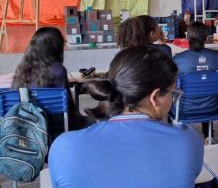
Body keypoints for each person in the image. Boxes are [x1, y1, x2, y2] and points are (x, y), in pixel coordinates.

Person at [49, 47, 203, 188]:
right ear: (155, 97)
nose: (173, 100)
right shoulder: (187, 140)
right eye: (173, 93)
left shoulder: (64, 147)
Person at [12, 27, 83, 138]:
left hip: (24, 129)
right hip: (53, 131)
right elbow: (68, 107)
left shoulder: (21, 69)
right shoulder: (58, 71)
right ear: (55, 47)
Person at [171, 21, 218, 142]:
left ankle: (176, 139)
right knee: (206, 92)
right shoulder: (217, 56)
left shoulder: (178, 59)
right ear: (206, 38)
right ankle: (208, 135)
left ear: (187, 38)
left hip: (183, 110)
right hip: (212, 108)